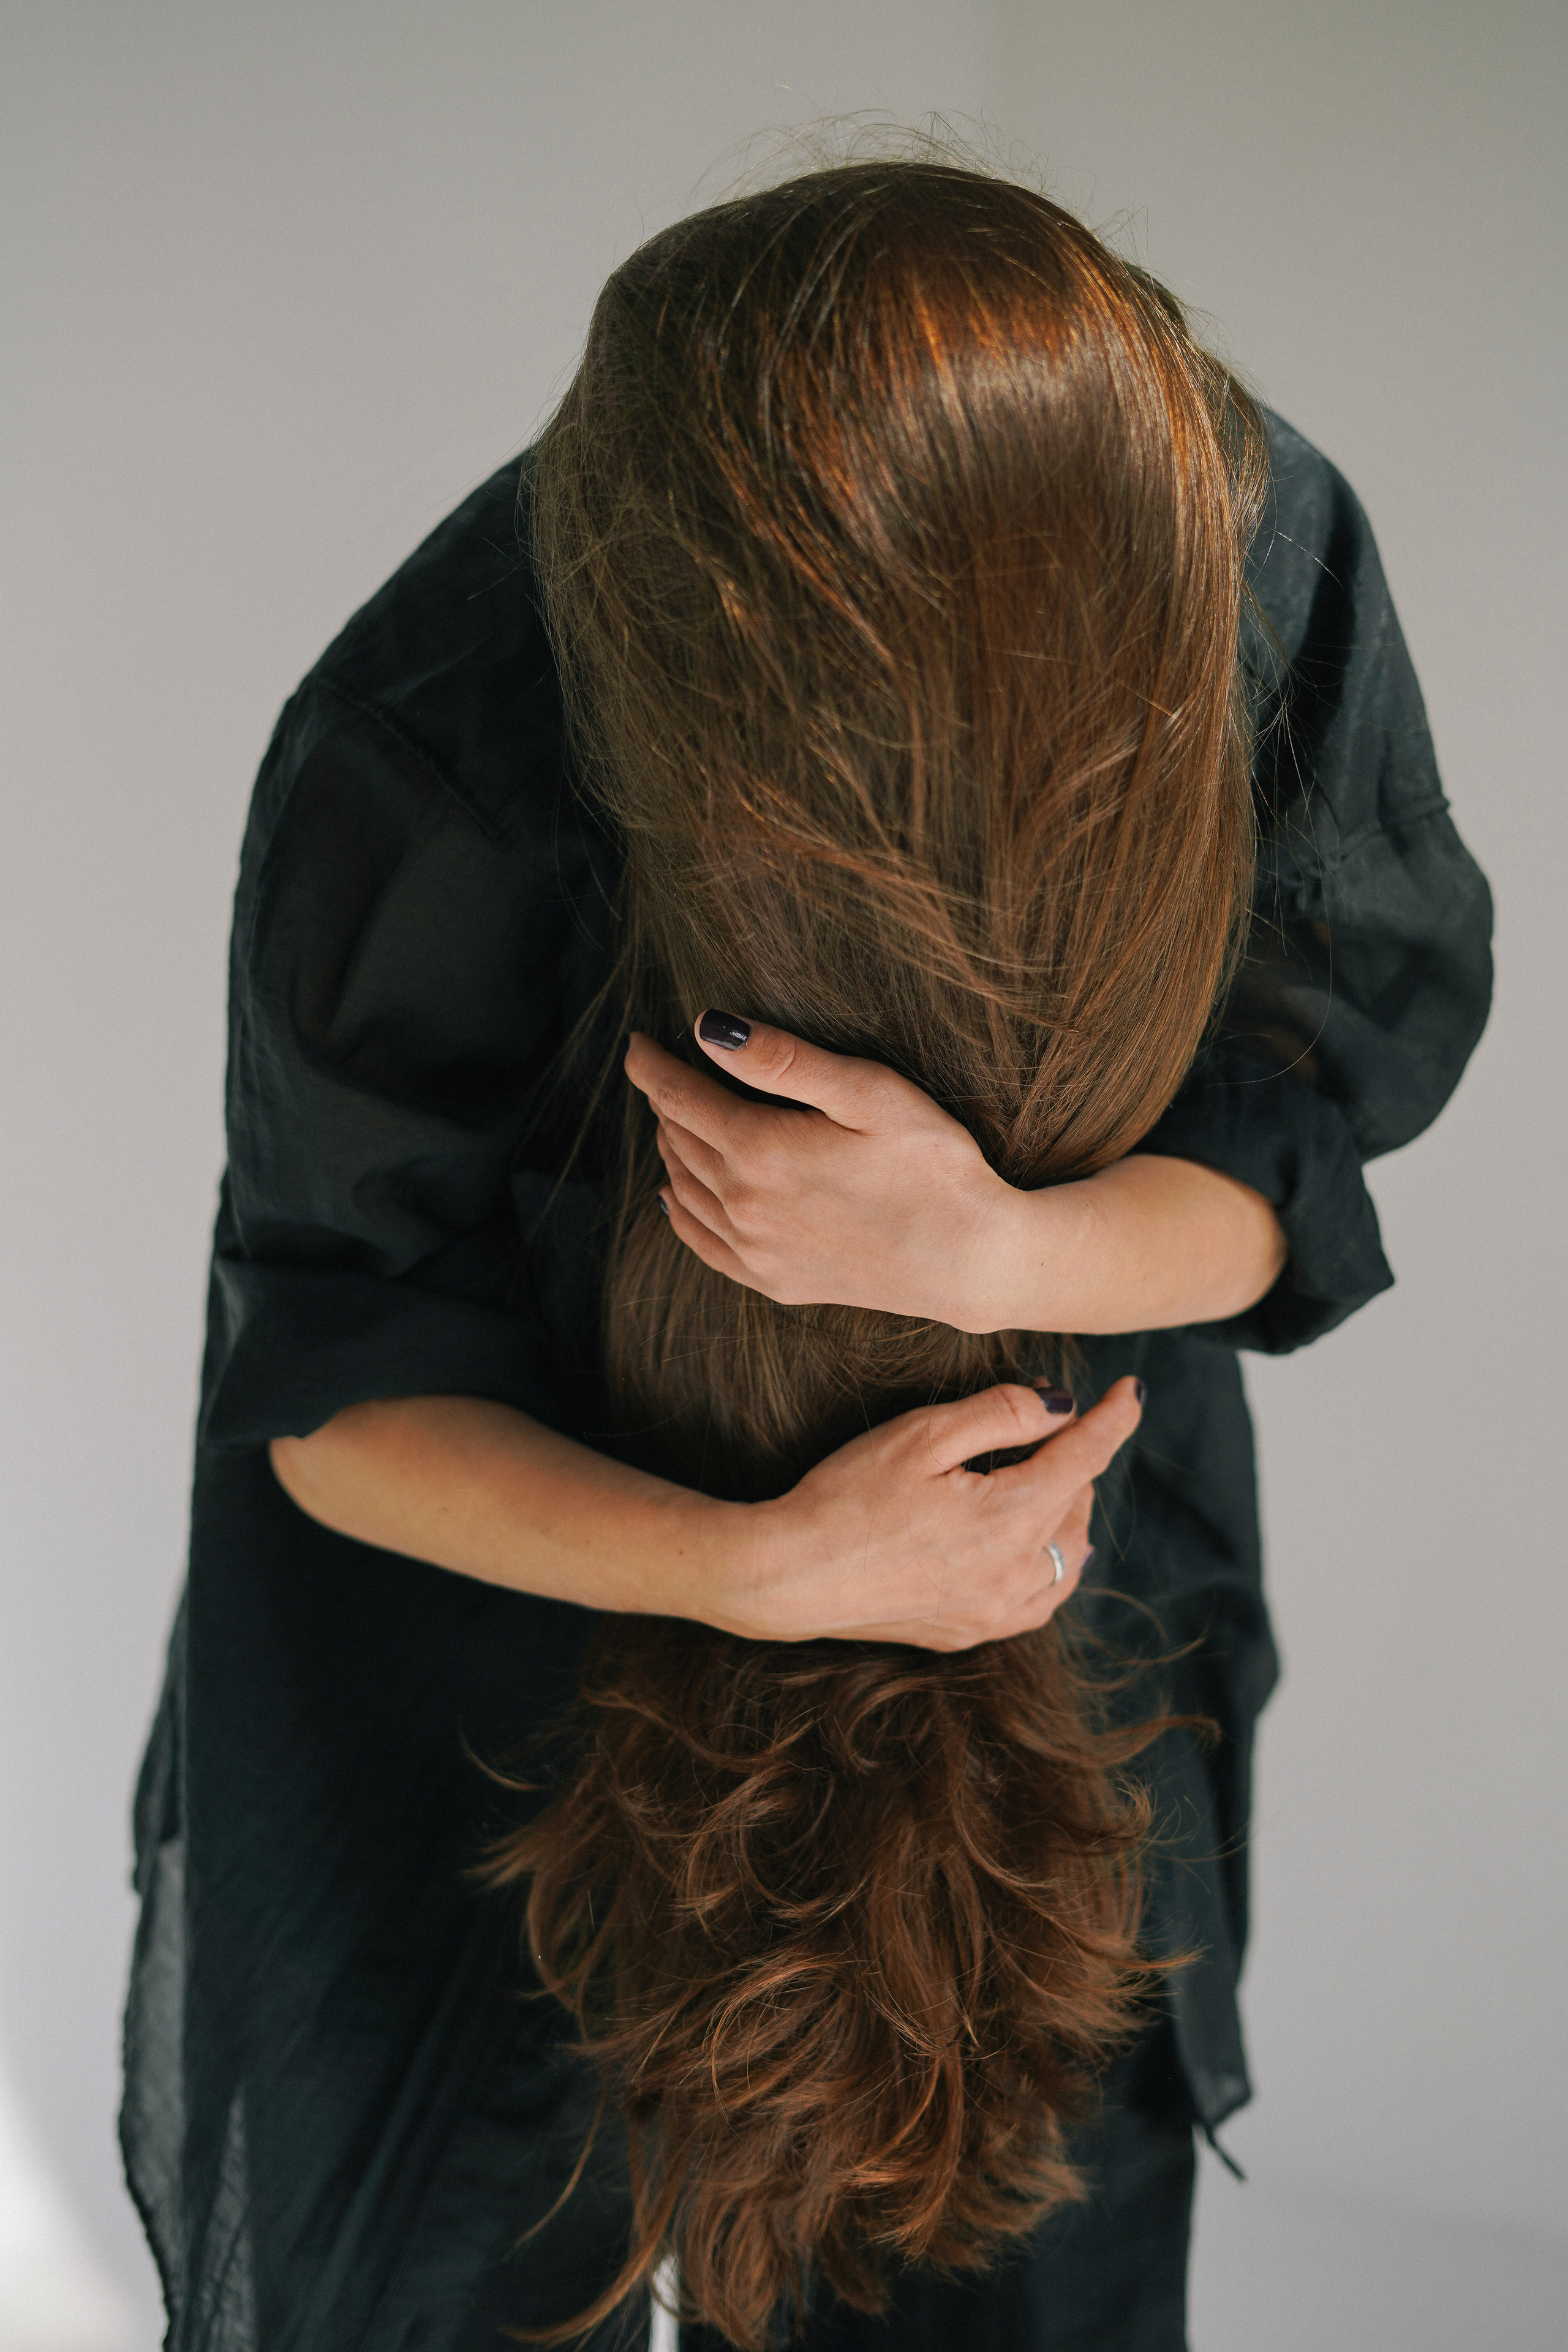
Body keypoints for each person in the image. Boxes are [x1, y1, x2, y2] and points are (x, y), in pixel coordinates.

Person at [120, 157, 1492, 2352]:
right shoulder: (448, 737)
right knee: (449, 2245)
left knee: (1021, 2212)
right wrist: (761, 1570)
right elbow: (333, 1392)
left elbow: (1304, 1137)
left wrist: (998, 1243)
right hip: (510, 1629)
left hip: (1041, 1586)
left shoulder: (1239, 551)